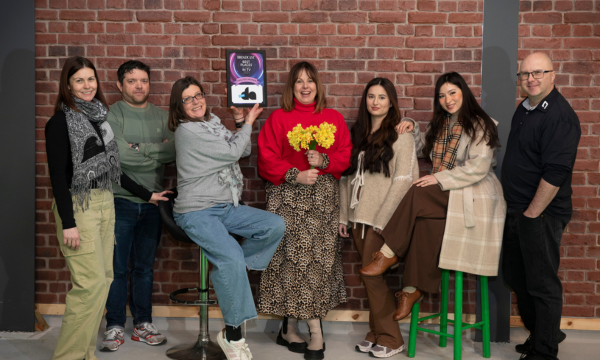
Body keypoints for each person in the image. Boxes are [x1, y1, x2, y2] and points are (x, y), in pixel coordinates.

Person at [45, 56, 169, 360]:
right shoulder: (60, 122)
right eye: (79, 80)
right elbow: (58, 179)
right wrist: (68, 221)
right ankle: (68, 357)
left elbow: (114, 170)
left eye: (91, 79)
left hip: (104, 204)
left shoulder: (99, 119)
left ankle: (86, 353)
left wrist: (147, 194)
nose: (87, 86)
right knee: (89, 287)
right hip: (79, 205)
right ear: (68, 85)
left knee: (104, 282)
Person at [359, 72, 506, 325]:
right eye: (442, 95)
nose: (447, 100)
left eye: (452, 93)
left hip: (474, 192)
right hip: (447, 194)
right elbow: (422, 149)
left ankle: (389, 251)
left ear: (464, 92)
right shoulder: (443, 125)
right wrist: (411, 125)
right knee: (426, 223)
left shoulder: (481, 124)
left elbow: (478, 167)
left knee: (416, 190)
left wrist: (439, 179)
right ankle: (411, 290)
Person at [168, 76, 285, 360]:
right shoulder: (187, 131)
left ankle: (229, 273)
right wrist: (248, 123)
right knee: (230, 256)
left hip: (225, 205)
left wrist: (236, 123)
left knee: (274, 225)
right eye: (188, 99)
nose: (195, 101)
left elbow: (240, 150)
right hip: (195, 210)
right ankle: (233, 335)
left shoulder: (212, 124)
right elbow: (233, 151)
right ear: (178, 107)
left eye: (198, 95)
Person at [257, 61, 352, 360]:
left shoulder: (333, 118)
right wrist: (294, 174)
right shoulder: (278, 119)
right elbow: (266, 158)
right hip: (288, 197)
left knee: (317, 264)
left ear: (318, 85)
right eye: (298, 81)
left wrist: (323, 161)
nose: (305, 86)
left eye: (310, 80)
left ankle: (294, 328)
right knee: (292, 262)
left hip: (322, 201)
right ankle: (310, 332)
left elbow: (345, 155)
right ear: (291, 86)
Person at [501, 53, 580, 360]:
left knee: (542, 284)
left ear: (552, 75)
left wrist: (533, 213)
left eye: (538, 73)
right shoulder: (525, 107)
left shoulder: (559, 116)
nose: (530, 79)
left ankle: (545, 352)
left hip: (541, 213)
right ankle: (543, 333)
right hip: (518, 210)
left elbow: (556, 173)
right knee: (517, 278)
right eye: (524, 74)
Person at [338, 78, 419, 358]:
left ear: (391, 101)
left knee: (373, 278)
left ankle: (392, 338)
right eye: (371, 96)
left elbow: (403, 182)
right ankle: (375, 333)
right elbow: (346, 179)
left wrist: (382, 220)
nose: (375, 102)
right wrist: (343, 216)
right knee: (371, 279)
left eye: (382, 97)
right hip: (358, 218)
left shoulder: (402, 136)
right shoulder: (358, 133)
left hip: (382, 221)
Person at [101, 60, 176, 351]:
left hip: (154, 204)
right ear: (120, 85)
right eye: (131, 81)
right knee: (117, 269)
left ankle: (143, 324)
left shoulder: (162, 116)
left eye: (143, 80)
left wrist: (138, 148)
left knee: (144, 268)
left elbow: (173, 150)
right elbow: (117, 156)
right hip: (120, 201)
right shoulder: (113, 114)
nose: (139, 86)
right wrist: (155, 152)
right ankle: (115, 326)